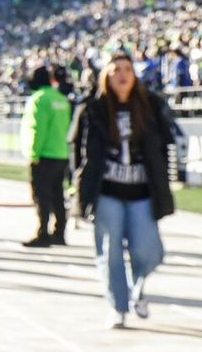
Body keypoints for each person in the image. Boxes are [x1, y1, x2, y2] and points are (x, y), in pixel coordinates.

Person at [72, 49, 178, 329]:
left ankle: (138, 288)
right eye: (116, 69)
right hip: (107, 191)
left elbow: (165, 144)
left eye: (127, 69)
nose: (122, 75)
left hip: (142, 191)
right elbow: (79, 152)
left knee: (150, 250)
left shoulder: (151, 106)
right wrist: (79, 188)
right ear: (106, 74)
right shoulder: (92, 109)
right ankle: (117, 306)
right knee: (110, 252)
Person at [23, 65, 73, 248]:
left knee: (42, 196)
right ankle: (59, 233)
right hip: (61, 153)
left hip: (44, 154)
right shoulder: (61, 99)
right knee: (58, 195)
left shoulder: (39, 100)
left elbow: (38, 128)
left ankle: (43, 233)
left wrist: (34, 154)